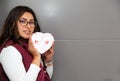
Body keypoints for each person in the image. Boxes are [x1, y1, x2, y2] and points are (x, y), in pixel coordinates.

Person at [0, 5, 54, 81]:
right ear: (12, 24)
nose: (28, 26)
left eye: (31, 22)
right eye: (23, 21)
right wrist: (36, 57)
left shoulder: (32, 45)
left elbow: (45, 77)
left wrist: (48, 60)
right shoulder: (9, 50)